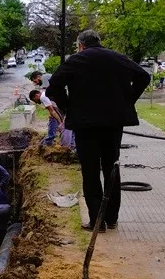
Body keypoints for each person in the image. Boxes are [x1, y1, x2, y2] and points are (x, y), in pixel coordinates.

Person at [46, 30, 150, 232]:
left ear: (80, 45)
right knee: (112, 169)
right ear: (99, 43)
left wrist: (69, 108)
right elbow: (143, 77)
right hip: (113, 124)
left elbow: (53, 87)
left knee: (91, 172)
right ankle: (112, 218)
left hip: (86, 125)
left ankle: (97, 221)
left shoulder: (77, 60)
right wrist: (127, 101)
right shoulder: (117, 57)